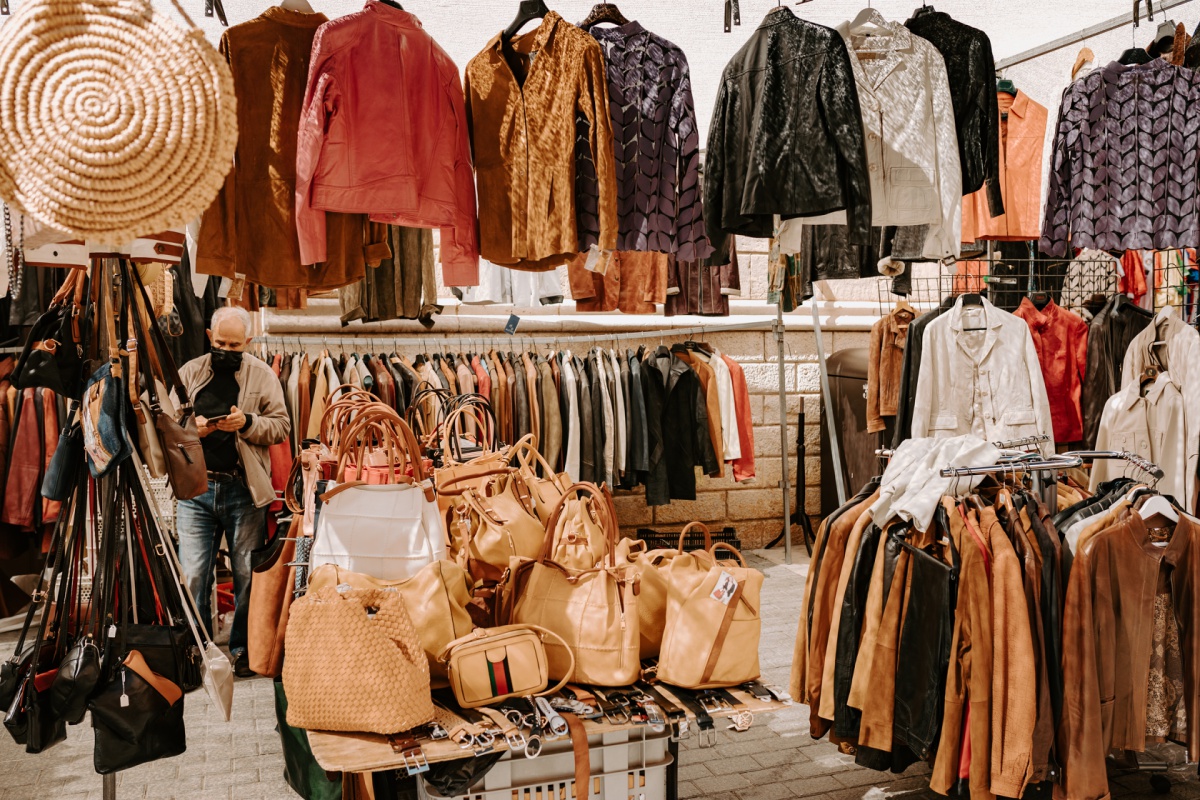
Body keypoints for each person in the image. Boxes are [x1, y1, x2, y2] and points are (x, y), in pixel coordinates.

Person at [176, 306, 290, 677]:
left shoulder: (262, 374)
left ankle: (244, 649)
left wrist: (248, 423)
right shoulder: (190, 373)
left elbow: (281, 426)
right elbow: (166, 424)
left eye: (235, 344)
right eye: (221, 342)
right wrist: (193, 430)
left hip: (243, 489)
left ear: (249, 343)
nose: (226, 349)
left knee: (245, 573)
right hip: (196, 488)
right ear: (209, 337)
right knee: (194, 573)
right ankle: (195, 652)